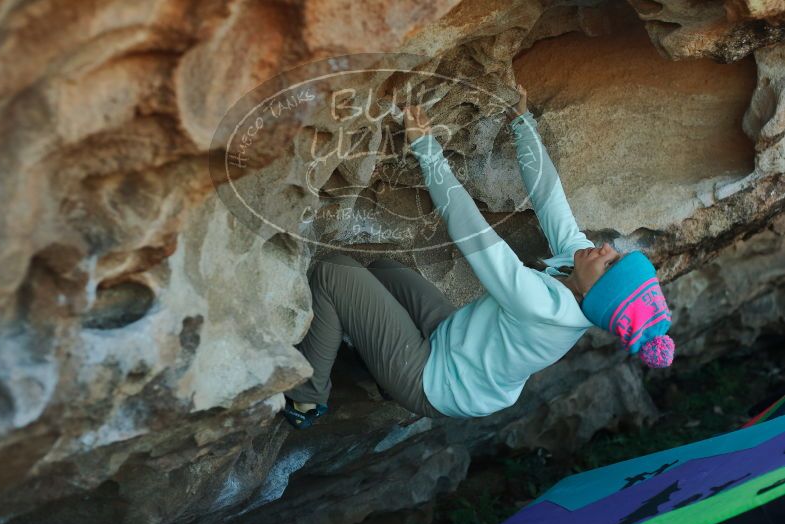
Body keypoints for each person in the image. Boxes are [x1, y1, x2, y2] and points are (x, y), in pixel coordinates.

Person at [282, 84, 675, 429]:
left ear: (596, 293)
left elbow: (471, 231)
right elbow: (549, 199)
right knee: (384, 269)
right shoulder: (580, 272)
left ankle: (307, 399)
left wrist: (426, 148)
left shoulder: (542, 306)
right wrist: (522, 123)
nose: (607, 249)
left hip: (433, 382)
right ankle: (377, 369)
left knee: (334, 273)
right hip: (454, 342)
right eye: (616, 254)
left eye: (611, 263)